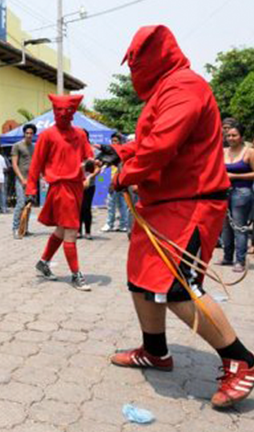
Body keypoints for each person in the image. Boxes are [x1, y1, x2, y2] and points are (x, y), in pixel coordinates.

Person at [97, 25, 254, 409]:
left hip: (190, 202)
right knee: (140, 281)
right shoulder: (166, 90)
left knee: (177, 288)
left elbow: (162, 145)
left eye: (137, 61)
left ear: (154, 57)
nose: (135, 69)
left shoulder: (183, 85)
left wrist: (124, 173)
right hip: (163, 203)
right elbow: (151, 138)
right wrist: (122, 151)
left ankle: (242, 361)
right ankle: (155, 351)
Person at [26, 94, 93, 291]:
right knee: (71, 230)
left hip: (77, 187)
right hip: (60, 187)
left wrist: (91, 164)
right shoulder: (47, 135)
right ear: (54, 111)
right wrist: (31, 189)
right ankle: (76, 275)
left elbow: (88, 156)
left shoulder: (80, 134)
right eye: (59, 111)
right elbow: (36, 163)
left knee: (62, 230)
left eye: (68, 111)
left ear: (73, 113)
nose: (63, 114)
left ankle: (43, 262)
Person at [219, 120, 254, 272]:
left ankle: (240, 260)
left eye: (234, 135)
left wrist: (234, 176)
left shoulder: (249, 152)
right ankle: (227, 257)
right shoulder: (223, 152)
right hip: (224, 192)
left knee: (239, 227)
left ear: (241, 137)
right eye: (228, 135)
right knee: (225, 226)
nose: (231, 138)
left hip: (242, 193)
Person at [101, 133, 130, 233]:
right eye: (112, 141)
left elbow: (121, 168)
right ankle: (111, 224)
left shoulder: (123, 152)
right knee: (112, 204)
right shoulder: (112, 154)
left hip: (120, 183)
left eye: (116, 141)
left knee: (122, 204)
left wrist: (115, 182)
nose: (114, 143)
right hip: (114, 182)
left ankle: (122, 224)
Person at [12, 124, 36, 239]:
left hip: (31, 180)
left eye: (31, 133)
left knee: (28, 205)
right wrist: (22, 179)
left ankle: (25, 229)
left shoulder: (35, 147)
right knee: (21, 203)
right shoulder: (17, 146)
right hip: (20, 179)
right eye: (27, 133)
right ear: (24, 134)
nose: (29, 135)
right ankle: (16, 229)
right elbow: (14, 164)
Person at [79, 158, 99, 240]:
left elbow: (98, 169)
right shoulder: (76, 155)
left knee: (87, 208)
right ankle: (78, 231)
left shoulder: (91, 157)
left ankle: (88, 232)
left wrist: (89, 177)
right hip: (78, 186)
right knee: (79, 208)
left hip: (90, 187)